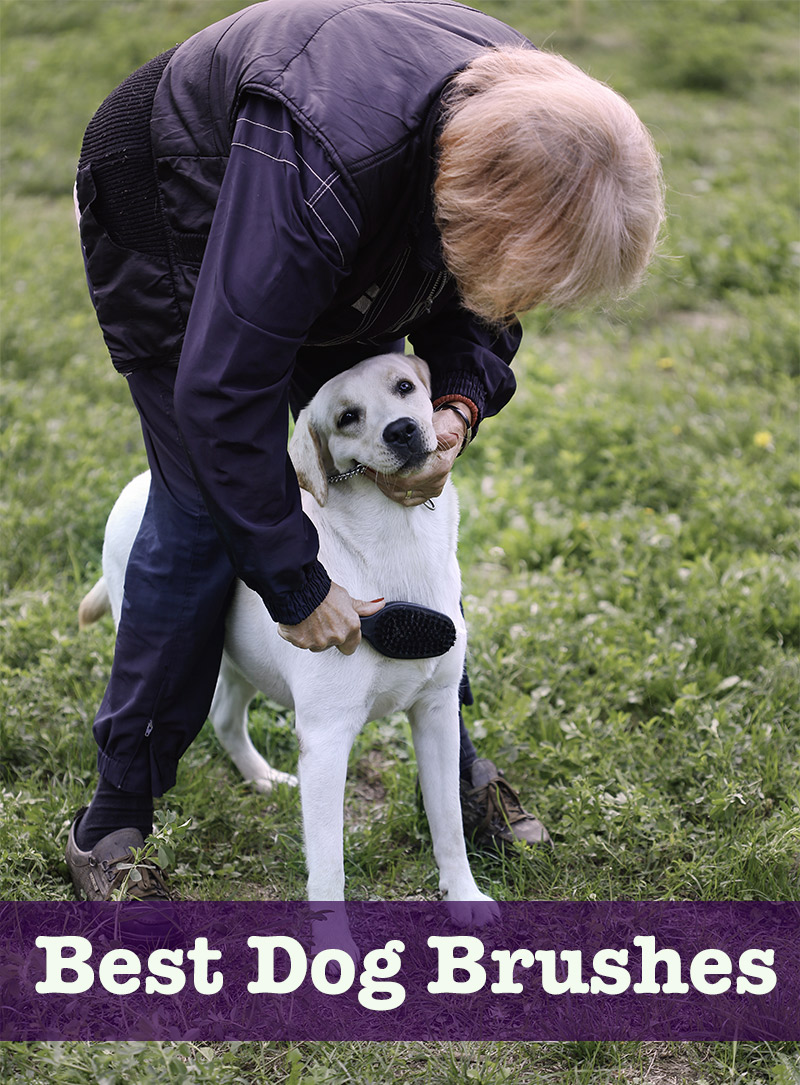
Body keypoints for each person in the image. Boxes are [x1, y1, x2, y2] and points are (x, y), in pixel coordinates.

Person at [65, 0, 664, 903]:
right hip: (169, 202)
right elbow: (223, 392)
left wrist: (459, 403)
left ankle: (451, 759)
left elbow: (481, 289)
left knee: (383, 482)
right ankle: (114, 817)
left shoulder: (526, 118)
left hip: (345, 207)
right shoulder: (319, 173)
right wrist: (295, 583)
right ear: (465, 202)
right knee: (199, 507)